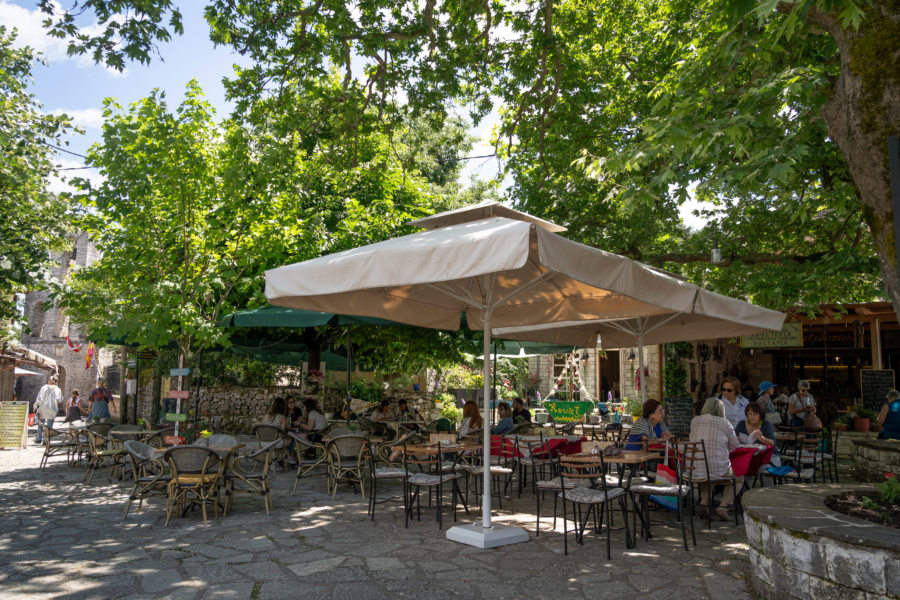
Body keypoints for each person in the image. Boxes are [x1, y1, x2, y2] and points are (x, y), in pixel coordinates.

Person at [689, 397, 743, 521]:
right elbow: (734, 446)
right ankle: (723, 507)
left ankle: (705, 500)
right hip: (718, 468)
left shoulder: (695, 421)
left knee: (706, 470)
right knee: (739, 476)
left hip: (695, 468)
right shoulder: (725, 423)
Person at [734, 402, 781, 467]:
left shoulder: (766, 424)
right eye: (750, 413)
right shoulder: (741, 424)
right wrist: (736, 440)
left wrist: (762, 438)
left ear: (760, 415)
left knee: (763, 468)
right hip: (748, 456)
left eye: (755, 414)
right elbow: (733, 441)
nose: (752, 417)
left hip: (768, 456)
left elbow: (772, 443)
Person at [33, 375, 62, 444]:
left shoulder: (44, 388)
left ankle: (38, 438)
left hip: (43, 407)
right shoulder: (58, 389)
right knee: (49, 426)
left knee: (40, 424)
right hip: (52, 408)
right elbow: (59, 400)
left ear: (50, 381)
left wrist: (35, 406)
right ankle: (46, 440)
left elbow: (39, 398)